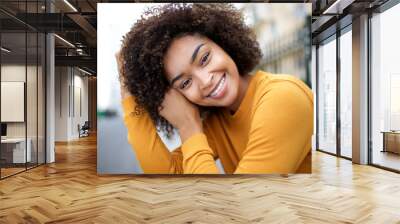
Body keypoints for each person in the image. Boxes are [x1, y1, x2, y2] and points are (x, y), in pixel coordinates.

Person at [117, 3, 313, 174]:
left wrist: (188, 127)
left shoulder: (283, 98)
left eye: (204, 58)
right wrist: (128, 92)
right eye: (185, 83)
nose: (205, 81)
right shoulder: (218, 120)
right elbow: (170, 174)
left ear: (223, 43)